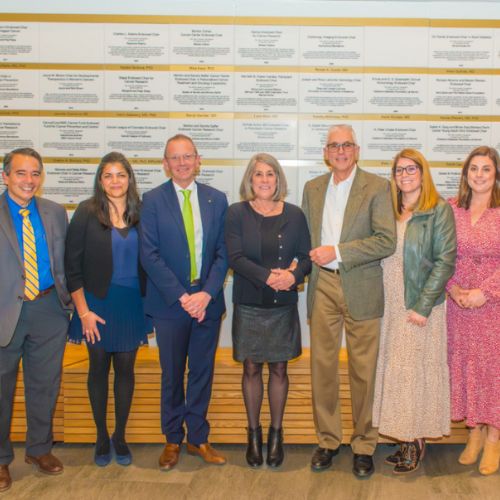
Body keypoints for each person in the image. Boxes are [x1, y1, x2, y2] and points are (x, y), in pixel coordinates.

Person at [302, 124, 396, 478]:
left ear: (356, 150)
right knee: (322, 367)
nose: (340, 151)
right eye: (333, 146)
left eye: (346, 145)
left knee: (364, 371)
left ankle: (363, 445)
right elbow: (304, 239)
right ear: (326, 153)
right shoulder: (312, 189)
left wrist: (338, 251)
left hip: (362, 285)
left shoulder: (377, 186)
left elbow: (386, 240)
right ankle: (327, 441)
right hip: (323, 286)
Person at [139, 134, 228, 471]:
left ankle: (198, 438)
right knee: (173, 373)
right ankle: (173, 439)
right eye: (174, 158)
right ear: (165, 164)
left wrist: (206, 293)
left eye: (187, 156)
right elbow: (149, 255)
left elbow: (223, 252)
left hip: (207, 302)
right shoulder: (151, 200)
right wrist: (182, 296)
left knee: (202, 373)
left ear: (198, 159)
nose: (181, 163)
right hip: (170, 303)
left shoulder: (216, 199)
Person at [372, 148, 456, 473]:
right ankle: (407, 436)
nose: (404, 175)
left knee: (411, 374)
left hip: (419, 305)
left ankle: (414, 441)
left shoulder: (438, 210)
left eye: (411, 169)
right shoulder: (389, 210)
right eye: (399, 170)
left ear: (423, 172)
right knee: (398, 375)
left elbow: (445, 261)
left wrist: (422, 306)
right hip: (390, 303)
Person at [225, 153, 311, 468]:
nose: (264, 180)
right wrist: (270, 277)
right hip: (250, 302)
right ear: (250, 180)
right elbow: (234, 257)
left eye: (270, 174)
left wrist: (292, 276)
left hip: (282, 304)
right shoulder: (236, 213)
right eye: (258, 174)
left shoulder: (295, 214)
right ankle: (253, 434)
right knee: (250, 368)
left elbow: (306, 256)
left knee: (279, 369)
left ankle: (276, 434)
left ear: (278, 180)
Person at [65, 152, 149, 467]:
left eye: (121, 175)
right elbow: (71, 266)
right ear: (100, 180)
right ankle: (101, 436)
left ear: (130, 178)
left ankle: (120, 436)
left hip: (131, 303)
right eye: (108, 175)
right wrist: (83, 312)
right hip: (95, 303)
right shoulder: (87, 212)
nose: (115, 181)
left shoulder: (141, 212)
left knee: (126, 370)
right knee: (98, 368)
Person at [0, 148, 71, 492]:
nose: (29, 180)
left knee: (44, 385)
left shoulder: (55, 213)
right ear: (5, 176)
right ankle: (1, 460)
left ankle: (39, 449)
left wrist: (69, 305)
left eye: (35, 173)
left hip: (49, 310)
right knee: (1, 391)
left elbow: (65, 263)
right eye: (21, 173)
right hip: (5, 313)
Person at [446, 146, 500, 475]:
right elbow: (440, 254)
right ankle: (474, 434)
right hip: (459, 305)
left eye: (486, 169)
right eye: (474, 169)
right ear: (466, 174)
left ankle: (494, 438)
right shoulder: (452, 209)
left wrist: (487, 292)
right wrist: (452, 289)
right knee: (466, 368)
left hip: (493, 307)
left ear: (496, 176)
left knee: (493, 371)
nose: (479, 175)